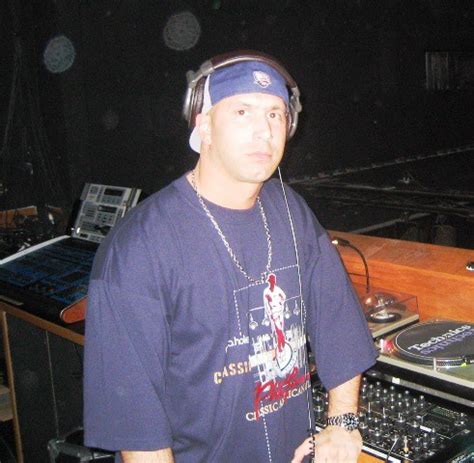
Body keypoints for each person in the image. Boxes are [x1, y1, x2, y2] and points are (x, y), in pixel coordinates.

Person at [83, 50, 378, 463]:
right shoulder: (138, 247)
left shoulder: (292, 212)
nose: (263, 131)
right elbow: (138, 428)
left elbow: (339, 325)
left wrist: (342, 421)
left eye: (275, 114)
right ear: (203, 125)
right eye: (242, 112)